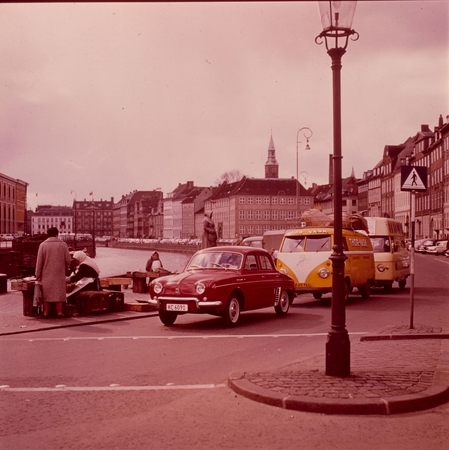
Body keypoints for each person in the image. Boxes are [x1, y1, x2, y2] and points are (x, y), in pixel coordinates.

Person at [35, 227, 71, 318]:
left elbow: (39, 261)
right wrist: (65, 269)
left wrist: (38, 274)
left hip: (46, 273)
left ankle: (46, 313)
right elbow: (68, 259)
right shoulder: (63, 244)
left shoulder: (43, 245)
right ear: (57, 234)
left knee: (46, 293)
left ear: (48, 234)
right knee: (58, 292)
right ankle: (59, 312)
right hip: (59, 273)